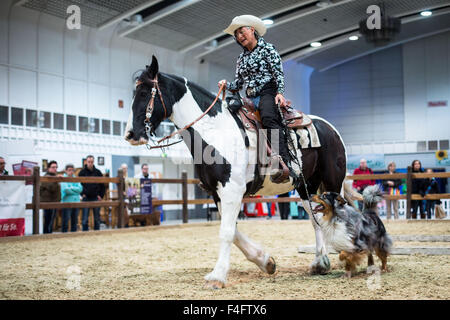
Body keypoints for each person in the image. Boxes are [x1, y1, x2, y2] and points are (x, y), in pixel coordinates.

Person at [219, 15, 290, 183]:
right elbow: (238, 83)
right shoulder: (241, 58)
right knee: (233, 118)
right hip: (249, 96)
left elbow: (277, 72)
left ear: (252, 29)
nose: (239, 37)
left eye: (241, 32)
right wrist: (226, 84)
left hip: (267, 91)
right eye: (236, 35)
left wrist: (279, 92)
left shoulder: (268, 49)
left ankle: (283, 162)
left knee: (268, 118)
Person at [78, 155, 105, 231]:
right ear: (86, 162)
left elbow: (103, 185)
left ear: (93, 162)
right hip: (86, 197)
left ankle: (97, 232)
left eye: (92, 162)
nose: (90, 163)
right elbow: (79, 184)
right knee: (85, 219)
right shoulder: (82, 172)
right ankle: (85, 233)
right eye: (89, 162)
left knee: (97, 218)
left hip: (96, 197)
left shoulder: (98, 172)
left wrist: (101, 195)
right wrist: (82, 194)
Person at [40, 161, 61, 233]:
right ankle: (46, 235)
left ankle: (49, 234)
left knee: (51, 221)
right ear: (48, 168)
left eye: (56, 167)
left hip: (54, 202)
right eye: (53, 167)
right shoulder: (46, 177)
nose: (55, 169)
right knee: (48, 221)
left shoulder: (54, 177)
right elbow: (51, 188)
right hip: (48, 202)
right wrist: (56, 180)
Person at [60, 164, 82, 232]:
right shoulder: (63, 178)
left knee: (74, 220)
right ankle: (64, 234)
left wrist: (71, 188)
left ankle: (74, 234)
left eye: (72, 170)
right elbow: (66, 189)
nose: (71, 172)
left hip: (76, 202)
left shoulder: (75, 178)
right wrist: (75, 191)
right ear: (66, 171)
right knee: (65, 220)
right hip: (66, 201)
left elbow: (80, 189)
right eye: (69, 170)